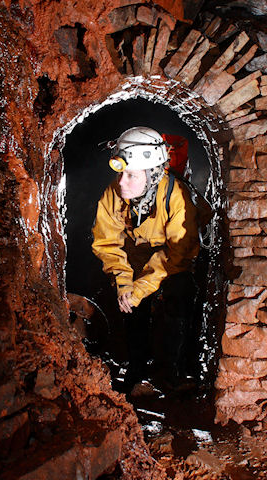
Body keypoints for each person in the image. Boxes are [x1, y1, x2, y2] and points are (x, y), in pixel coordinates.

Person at [91, 126, 203, 391]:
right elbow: (107, 243)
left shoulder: (176, 197)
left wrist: (141, 287)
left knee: (179, 293)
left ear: (152, 176)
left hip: (173, 259)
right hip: (136, 257)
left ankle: (174, 373)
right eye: (121, 174)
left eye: (131, 175)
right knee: (130, 305)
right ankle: (137, 370)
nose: (122, 182)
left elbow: (177, 254)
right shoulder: (113, 194)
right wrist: (124, 283)